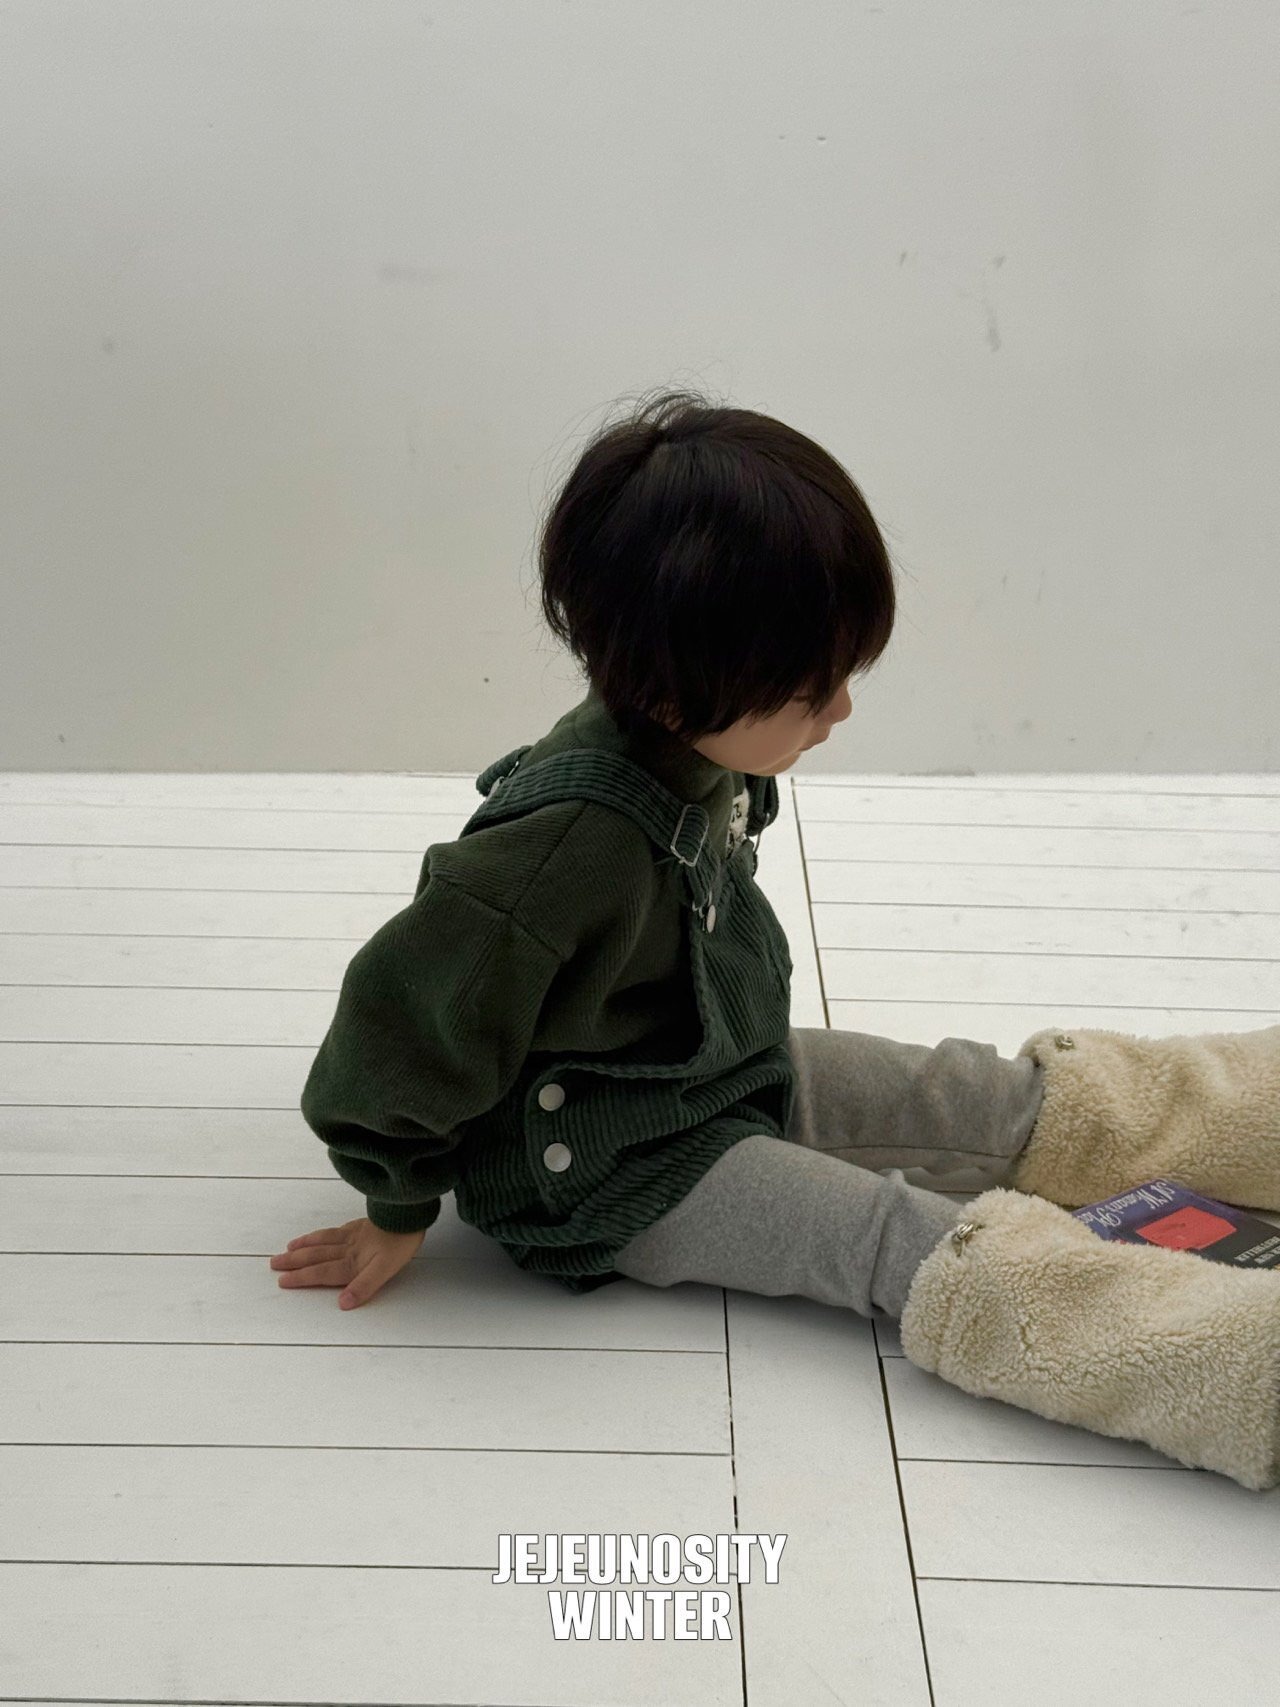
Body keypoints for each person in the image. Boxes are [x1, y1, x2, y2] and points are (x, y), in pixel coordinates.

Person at [273, 388, 1280, 1492]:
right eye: (810, 692)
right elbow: (392, 1029)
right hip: (606, 1167)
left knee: (972, 1096)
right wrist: (397, 1203)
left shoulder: (689, 736)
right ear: (677, 689)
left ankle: (1244, 1112)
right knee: (891, 1237)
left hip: (707, 1066)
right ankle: (1229, 1361)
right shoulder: (557, 853)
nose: (839, 713)